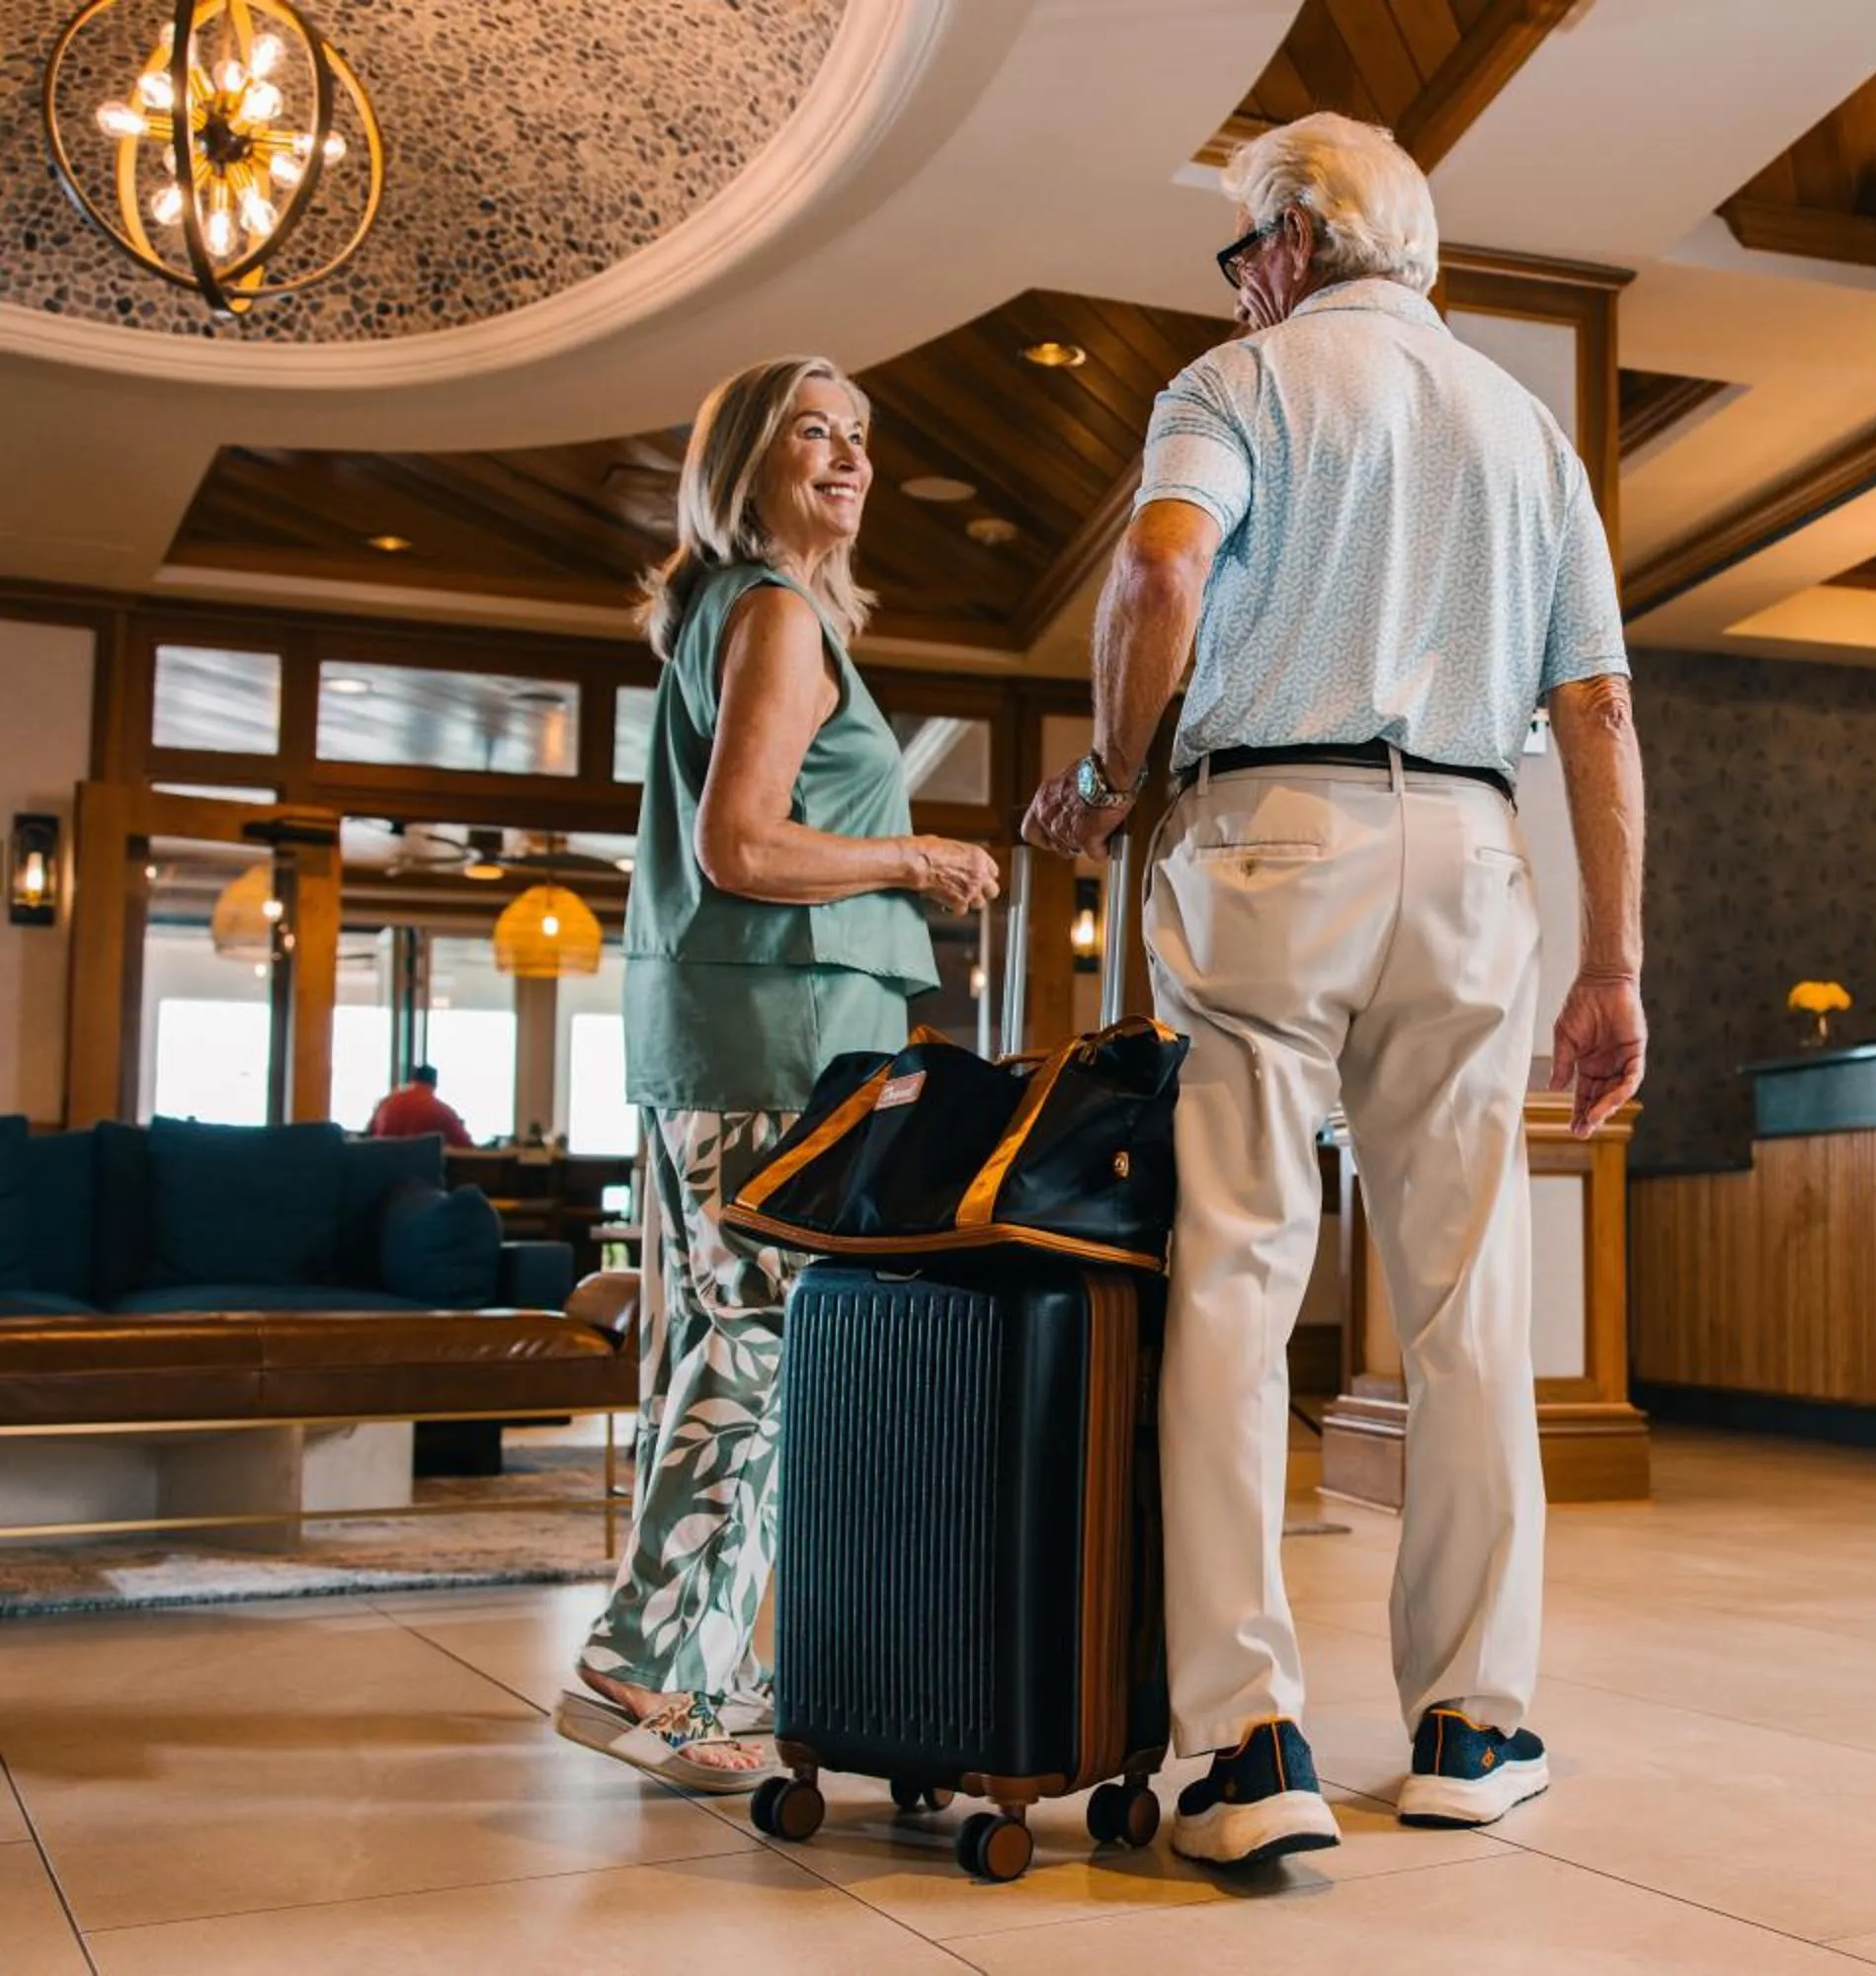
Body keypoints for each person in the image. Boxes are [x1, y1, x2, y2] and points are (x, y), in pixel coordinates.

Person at [1025, 111, 1647, 1868]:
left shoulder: (1237, 388)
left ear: (1288, 247)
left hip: (1262, 836)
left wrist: (1108, 774)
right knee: (1464, 1304)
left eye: (1241, 256)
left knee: (1235, 1276)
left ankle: (1247, 1747)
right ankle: (1471, 1724)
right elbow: (1595, 712)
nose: (1238, 288)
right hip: (1466, 846)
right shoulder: (1530, 433)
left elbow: (1160, 571)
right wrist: (1613, 962)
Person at [551, 356, 1000, 1793]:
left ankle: (714, 1678)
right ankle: (640, 1669)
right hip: (778, 1039)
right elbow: (741, 848)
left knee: (726, 1343)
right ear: (743, 461)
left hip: (739, 1033)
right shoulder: (776, 611)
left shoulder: (740, 614)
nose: (851, 457)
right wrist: (914, 857)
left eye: (864, 436)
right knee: (755, 1352)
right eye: (817, 430)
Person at [366, 1064, 470, 1146]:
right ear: (434, 1084)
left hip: (380, 1168)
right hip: (419, 1171)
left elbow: (368, 1137)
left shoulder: (384, 1104)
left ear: (411, 1081)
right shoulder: (441, 1111)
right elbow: (465, 1146)